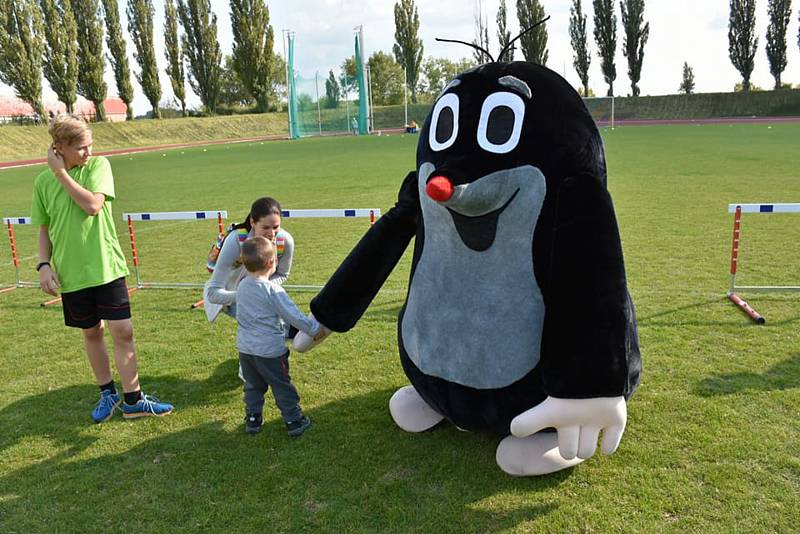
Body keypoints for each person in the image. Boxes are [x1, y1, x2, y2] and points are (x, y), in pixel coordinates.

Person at [31, 114, 173, 423]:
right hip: (71, 273)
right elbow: (43, 229)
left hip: (107, 266)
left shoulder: (98, 167)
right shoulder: (43, 183)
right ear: (60, 147)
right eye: (81, 147)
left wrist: (61, 174)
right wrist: (43, 264)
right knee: (91, 332)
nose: (88, 152)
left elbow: (92, 206)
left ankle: (134, 400)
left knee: (123, 330)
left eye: (90, 145)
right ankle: (107, 394)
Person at [235, 236, 323, 436]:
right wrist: (314, 330)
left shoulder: (242, 286)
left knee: (253, 386)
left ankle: (252, 419)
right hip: (270, 352)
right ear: (271, 262)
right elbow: (292, 315)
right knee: (281, 385)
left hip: (246, 350)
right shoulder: (272, 289)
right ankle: (294, 420)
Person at [204, 197, 294, 323]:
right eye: (265, 228)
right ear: (253, 222)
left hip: (263, 295)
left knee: (281, 328)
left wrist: (264, 288)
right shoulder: (235, 240)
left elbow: (282, 274)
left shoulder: (285, 241)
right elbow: (213, 294)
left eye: (276, 227)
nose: (272, 234)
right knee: (266, 325)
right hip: (230, 297)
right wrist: (248, 293)